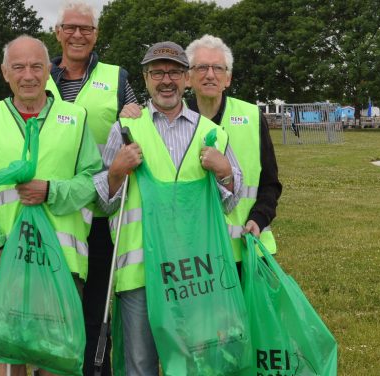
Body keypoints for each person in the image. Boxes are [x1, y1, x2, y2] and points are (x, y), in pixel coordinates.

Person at [0, 3, 138, 374]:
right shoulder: (38, 72)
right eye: (70, 27)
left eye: (87, 28)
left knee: (88, 319)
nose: (78, 34)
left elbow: (134, 122)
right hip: (31, 223)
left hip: (92, 218)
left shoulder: (116, 78)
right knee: (17, 335)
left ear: (96, 34)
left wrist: (134, 113)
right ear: (58, 32)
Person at [96, 41, 242, 375]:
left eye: (174, 72)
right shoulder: (124, 131)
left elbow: (232, 201)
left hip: (195, 274)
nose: (166, 80)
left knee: (196, 362)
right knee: (140, 365)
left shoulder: (213, 134)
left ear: (187, 78)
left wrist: (225, 172)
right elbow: (103, 203)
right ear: (146, 79)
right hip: (140, 274)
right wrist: (117, 171)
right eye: (157, 72)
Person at [0, 35, 102, 376]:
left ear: (49, 70)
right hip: (4, 263)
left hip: (61, 266)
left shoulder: (76, 119)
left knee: (56, 360)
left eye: (37, 66)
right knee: (11, 361)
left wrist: (51, 190)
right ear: (5, 73)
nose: (28, 75)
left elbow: (92, 182)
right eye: (19, 67)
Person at [184, 34, 282, 273]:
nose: (210, 74)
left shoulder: (251, 117)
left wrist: (258, 219)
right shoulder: (173, 120)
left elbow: (270, 184)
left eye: (218, 68)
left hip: (247, 248)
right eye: (201, 67)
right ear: (188, 77)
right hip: (194, 258)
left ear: (227, 78)